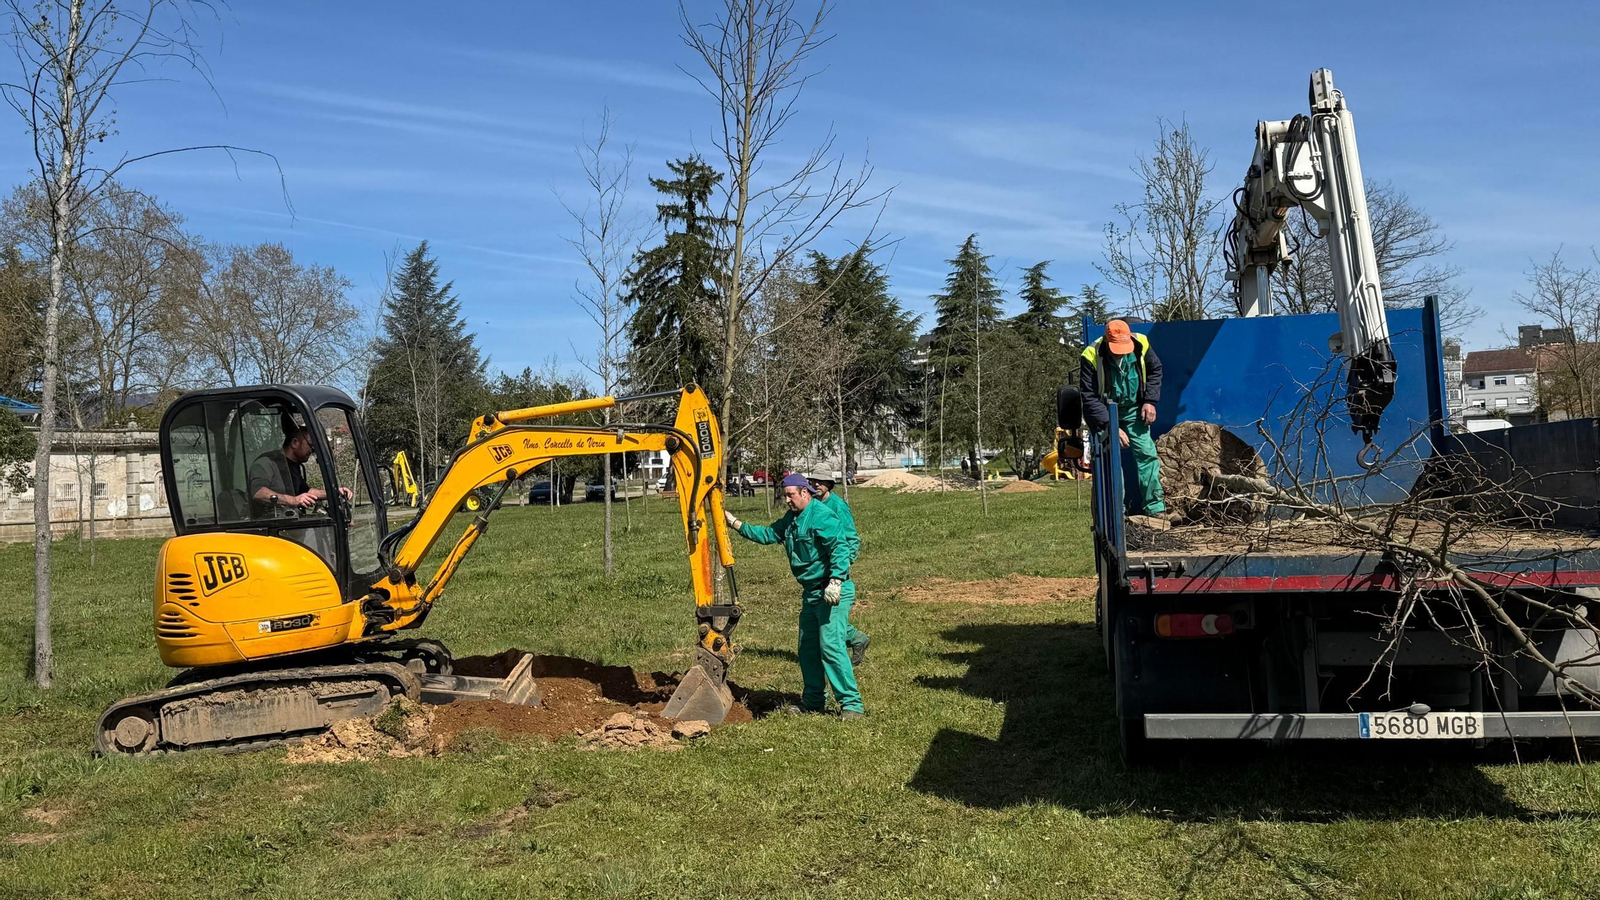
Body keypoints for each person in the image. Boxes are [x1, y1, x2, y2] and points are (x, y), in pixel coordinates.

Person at [724, 473, 864, 719]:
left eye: (791, 495)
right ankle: (813, 701)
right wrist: (736, 523)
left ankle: (852, 705)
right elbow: (768, 535)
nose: (787, 499)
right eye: (785, 494)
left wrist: (836, 579)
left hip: (832, 590)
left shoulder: (821, 515)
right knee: (807, 648)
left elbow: (840, 547)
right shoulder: (791, 519)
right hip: (811, 593)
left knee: (830, 646)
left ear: (805, 492)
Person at [1056, 318, 1166, 517]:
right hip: (1104, 413)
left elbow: (1155, 370)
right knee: (1110, 460)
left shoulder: (1142, 343)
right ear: (1107, 342)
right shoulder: (1090, 355)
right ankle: (1117, 514)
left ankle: (1156, 509)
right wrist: (1110, 425)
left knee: (1147, 455)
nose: (1122, 352)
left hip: (1134, 410)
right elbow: (1088, 397)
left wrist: (1150, 401)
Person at [805, 471, 870, 666]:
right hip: (817, 571)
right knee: (822, 615)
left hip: (834, 571)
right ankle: (856, 638)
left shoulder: (838, 507)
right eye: (813, 481)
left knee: (830, 618)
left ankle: (848, 646)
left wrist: (842, 567)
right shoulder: (812, 506)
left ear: (829, 484)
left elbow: (851, 538)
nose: (816, 484)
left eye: (821, 481)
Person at [249, 425, 349, 518]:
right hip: (267, 527)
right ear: (295, 443)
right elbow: (258, 492)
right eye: (310, 445)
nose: (312, 450)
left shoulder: (294, 466)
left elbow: (307, 492)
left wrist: (335, 493)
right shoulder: (267, 462)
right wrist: (293, 500)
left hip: (290, 524)